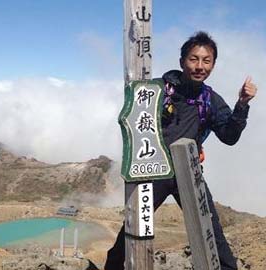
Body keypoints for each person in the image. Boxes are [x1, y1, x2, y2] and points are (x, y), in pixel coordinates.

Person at [105, 31, 257, 270]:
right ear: (182, 61)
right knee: (134, 227)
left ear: (213, 64)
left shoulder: (210, 99)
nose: (200, 66)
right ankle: (113, 266)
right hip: (155, 173)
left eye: (206, 61)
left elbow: (229, 136)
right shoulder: (159, 91)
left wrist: (242, 105)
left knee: (211, 229)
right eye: (193, 59)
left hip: (189, 171)